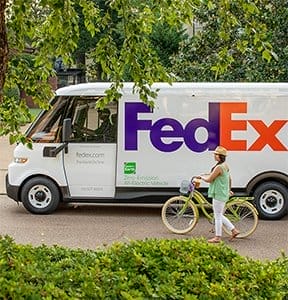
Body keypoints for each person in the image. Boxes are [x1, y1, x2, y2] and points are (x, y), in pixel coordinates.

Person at [199, 146, 239, 243]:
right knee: (219, 214)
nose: (214, 156)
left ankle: (217, 237)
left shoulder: (219, 167)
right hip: (223, 192)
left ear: (220, 156)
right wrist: (229, 190)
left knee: (217, 215)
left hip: (218, 193)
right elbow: (229, 179)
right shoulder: (225, 166)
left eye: (216, 154)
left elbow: (209, 180)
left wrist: (201, 177)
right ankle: (234, 230)